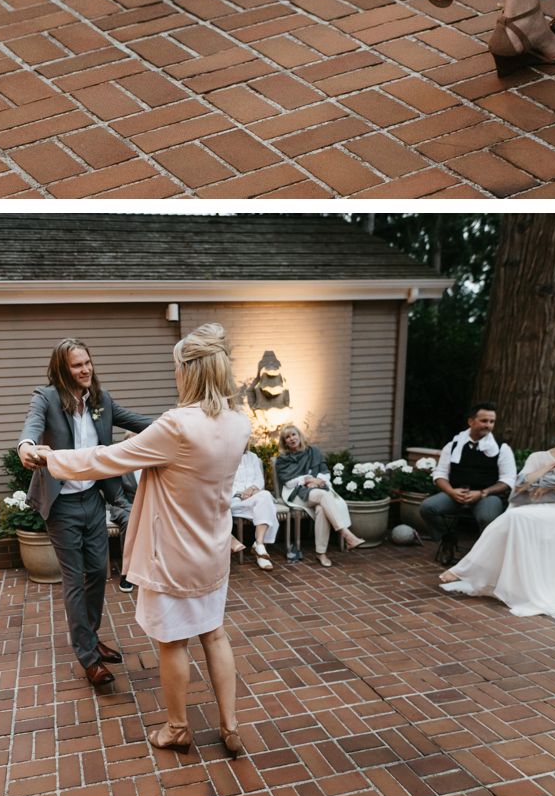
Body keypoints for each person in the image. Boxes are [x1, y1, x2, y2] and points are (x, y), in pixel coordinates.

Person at [27, 323, 253, 756]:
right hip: (213, 551)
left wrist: (49, 457)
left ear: (189, 371)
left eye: (176, 368)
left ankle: (178, 728)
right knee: (215, 635)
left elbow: (104, 458)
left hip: (171, 554)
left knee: (173, 643)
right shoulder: (239, 425)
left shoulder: (176, 426)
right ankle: (230, 726)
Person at [16, 339, 156, 690]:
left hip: (93, 498)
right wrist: (26, 447)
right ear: (63, 370)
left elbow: (141, 422)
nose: (86, 369)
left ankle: (90, 638)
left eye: (88, 362)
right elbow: (31, 428)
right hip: (61, 503)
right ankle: (88, 656)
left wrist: (186, 424)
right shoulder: (46, 398)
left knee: (98, 571)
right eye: (77, 365)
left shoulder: (101, 401)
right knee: (75, 577)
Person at [440, 409, 555, 621]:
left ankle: (466, 569)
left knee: (518, 518)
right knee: (514, 517)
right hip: (541, 506)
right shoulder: (539, 457)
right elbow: (520, 487)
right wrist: (547, 479)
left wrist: (554, 486)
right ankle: (471, 570)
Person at [420, 401, 517, 564]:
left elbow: (508, 480)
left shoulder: (502, 449)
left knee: (488, 517)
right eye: (484, 421)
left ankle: (483, 554)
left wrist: (483, 493)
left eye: (492, 421)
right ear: (471, 421)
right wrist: (451, 491)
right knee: (427, 508)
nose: (488, 425)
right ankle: (447, 540)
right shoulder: (453, 445)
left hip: (486, 495)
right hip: (456, 493)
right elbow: (440, 474)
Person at [272, 423, 362, 567]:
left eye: (293, 434)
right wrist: (307, 479)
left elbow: (325, 472)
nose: (291, 438)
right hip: (295, 493)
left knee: (321, 508)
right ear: (285, 442)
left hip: (316, 488)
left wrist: (317, 480)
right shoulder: (283, 459)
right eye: (287, 437)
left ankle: (321, 553)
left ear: (299, 436)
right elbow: (288, 483)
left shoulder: (313, 451)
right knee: (323, 496)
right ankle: (346, 534)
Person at [228, 443, 279, 571]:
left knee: (265, 496)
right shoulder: (225, 457)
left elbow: (259, 480)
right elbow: (223, 481)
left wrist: (251, 489)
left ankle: (259, 544)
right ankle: (260, 549)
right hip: (234, 501)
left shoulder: (253, 457)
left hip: (253, 497)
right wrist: (240, 493)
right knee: (266, 505)